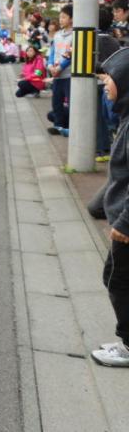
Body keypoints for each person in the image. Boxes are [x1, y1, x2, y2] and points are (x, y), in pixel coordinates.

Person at [91, 46, 129, 367]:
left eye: (110, 79)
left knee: (119, 281)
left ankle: (128, 345)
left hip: (127, 225)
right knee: (113, 277)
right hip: (121, 217)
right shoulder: (126, 118)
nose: (105, 84)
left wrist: (125, 222)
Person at [47, 5, 74, 136]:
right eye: (60, 17)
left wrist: (60, 67)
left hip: (68, 75)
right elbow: (52, 53)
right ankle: (58, 126)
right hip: (56, 75)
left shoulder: (75, 35)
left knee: (70, 102)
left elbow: (71, 55)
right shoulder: (57, 35)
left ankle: (72, 127)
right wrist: (50, 66)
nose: (61, 19)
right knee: (56, 102)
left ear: (72, 19)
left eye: (64, 17)